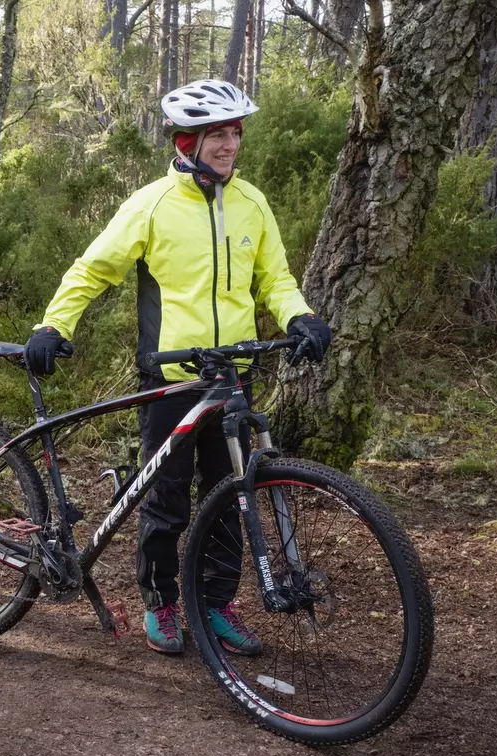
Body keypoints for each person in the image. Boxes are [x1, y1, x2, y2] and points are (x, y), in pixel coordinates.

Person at [22, 79, 332, 656]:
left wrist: (300, 317)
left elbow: (276, 279)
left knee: (231, 495)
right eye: (218, 133)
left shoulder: (252, 202)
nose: (231, 144)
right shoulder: (152, 204)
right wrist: (53, 326)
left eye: (236, 132)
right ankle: (160, 602)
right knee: (167, 500)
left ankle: (215, 604)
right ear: (188, 141)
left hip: (232, 376)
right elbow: (92, 270)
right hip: (171, 378)